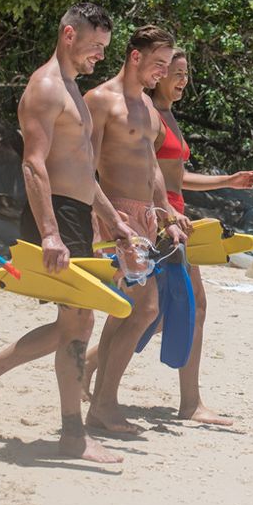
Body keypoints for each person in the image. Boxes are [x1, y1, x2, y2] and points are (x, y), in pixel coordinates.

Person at [0, 3, 138, 463]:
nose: (99, 55)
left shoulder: (73, 89)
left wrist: (113, 220)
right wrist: (51, 233)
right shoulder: (45, 87)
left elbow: (80, 170)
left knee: (74, 321)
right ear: (69, 34)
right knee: (80, 321)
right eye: (95, 45)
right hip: (54, 216)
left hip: (74, 212)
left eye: (104, 48)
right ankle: (73, 435)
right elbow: (33, 164)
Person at [82, 25, 188, 434]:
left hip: (145, 218)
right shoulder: (100, 101)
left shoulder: (147, 106)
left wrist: (165, 212)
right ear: (134, 57)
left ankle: (103, 401)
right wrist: (111, 219)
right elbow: (82, 167)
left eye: (168, 64)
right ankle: (105, 405)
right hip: (116, 218)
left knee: (127, 311)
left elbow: (151, 167)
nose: (163, 72)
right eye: (159, 63)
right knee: (144, 308)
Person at [150, 49, 253, 426]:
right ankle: (190, 403)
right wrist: (164, 215)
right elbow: (147, 176)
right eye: (176, 74)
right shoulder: (149, 115)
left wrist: (227, 181)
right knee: (182, 307)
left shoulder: (169, 116)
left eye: (186, 74)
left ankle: (96, 367)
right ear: (158, 73)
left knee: (162, 311)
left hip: (178, 217)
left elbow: (177, 178)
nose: (183, 81)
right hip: (164, 220)